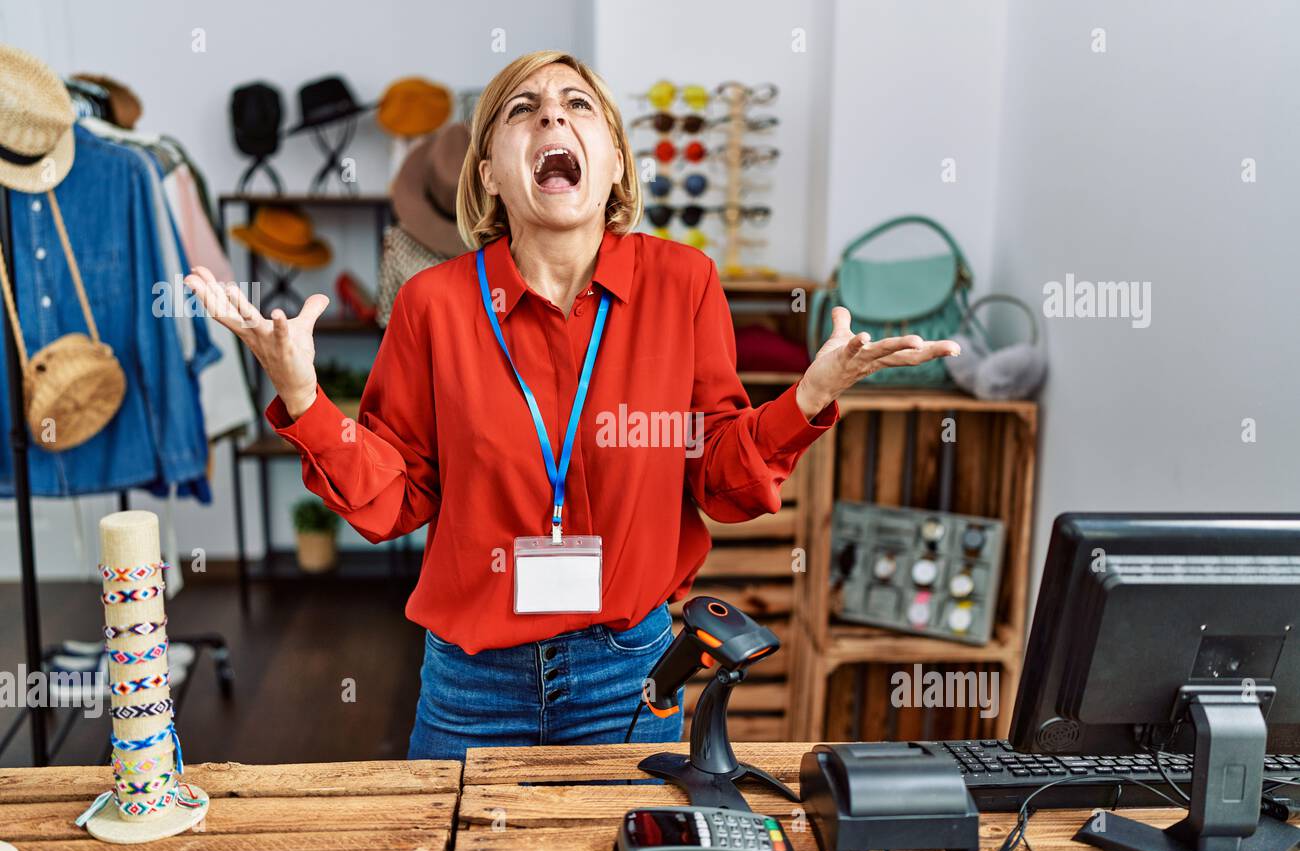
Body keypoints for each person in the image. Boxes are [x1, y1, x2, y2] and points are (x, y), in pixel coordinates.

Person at [185, 50, 959, 761]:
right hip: (471, 682)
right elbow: (396, 498)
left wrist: (809, 395)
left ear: (616, 163)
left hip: (625, 672)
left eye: (576, 104)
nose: (552, 116)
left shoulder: (683, 284)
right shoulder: (434, 304)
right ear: (489, 170)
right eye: (522, 109)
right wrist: (302, 396)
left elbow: (719, 481)